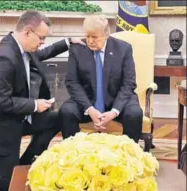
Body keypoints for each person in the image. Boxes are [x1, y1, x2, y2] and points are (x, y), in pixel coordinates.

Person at [0, 10, 84, 191]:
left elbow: (42, 53)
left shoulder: (23, 48)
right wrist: (35, 105)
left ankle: (24, 164)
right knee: (7, 185)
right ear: (28, 32)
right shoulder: (4, 58)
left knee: (59, 117)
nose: (43, 43)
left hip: (21, 118)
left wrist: (67, 42)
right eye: (42, 38)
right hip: (2, 127)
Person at [59, 14, 143, 143]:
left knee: (134, 113)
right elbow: (72, 82)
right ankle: (75, 154)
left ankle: (129, 155)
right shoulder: (77, 49)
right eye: (87, 36)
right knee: (67, 111)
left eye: (95, 37)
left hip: (116, 99)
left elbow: (129, 83)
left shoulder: (123, 49)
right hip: (88, 101)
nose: (90, 41)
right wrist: (90, 109)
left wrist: (114, 111)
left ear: (106, 35)